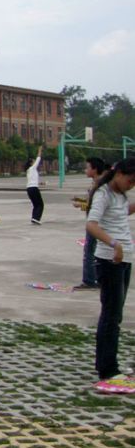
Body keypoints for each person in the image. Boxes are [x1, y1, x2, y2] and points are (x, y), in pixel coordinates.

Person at [85, 158, 135, 383]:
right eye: (130, 181)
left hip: (124, 260)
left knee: (115, 314)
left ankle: (107, 362)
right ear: (119, 173)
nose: (131, 186)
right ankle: (108, 369)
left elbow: (122, 213)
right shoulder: (103, 193)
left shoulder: (120, 195)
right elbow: (92, 224)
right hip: (109, 261)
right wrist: (114, 243)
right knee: (111, 315)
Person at [73, 157, 108, 290]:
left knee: (89, 251)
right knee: (96, 251)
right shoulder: (97, 183)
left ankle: (89, 280)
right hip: (96, 221)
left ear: (95, 169)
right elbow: (90, 202)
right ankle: (97, 278)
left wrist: (80, 204)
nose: (85, 170)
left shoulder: (99, 185)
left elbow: (92, 205)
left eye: (88, 167)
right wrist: (80, 201)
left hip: (95, 223)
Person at [26, 145, 44, 224]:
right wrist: (39, 151)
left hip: (29, 189)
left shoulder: (29, 171)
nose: (34, 162)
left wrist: (40, 183)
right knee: (40, 204)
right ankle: (36, 218)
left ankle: (34, 218)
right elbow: (38, 159)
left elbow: (32, 180)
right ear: (31, 163)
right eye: (33, 161)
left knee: (35, 204)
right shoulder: (32, 168)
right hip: (33, 188)